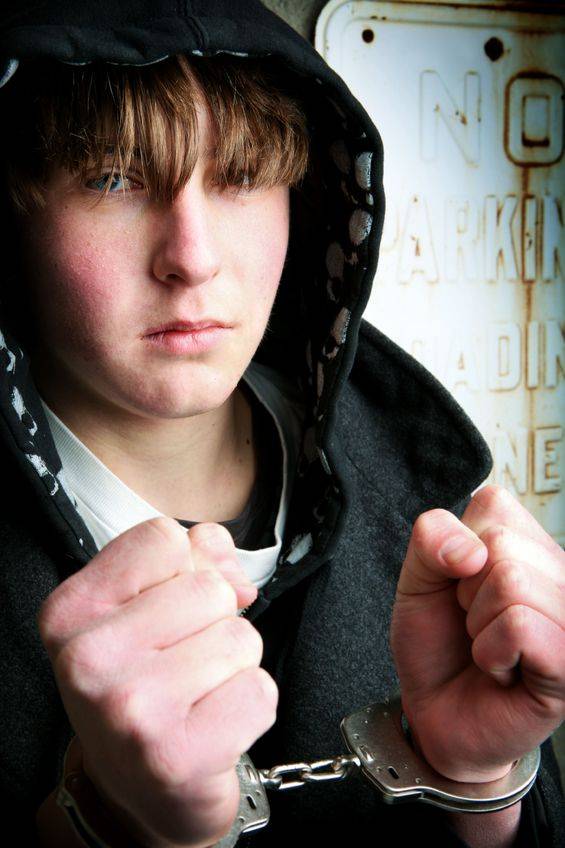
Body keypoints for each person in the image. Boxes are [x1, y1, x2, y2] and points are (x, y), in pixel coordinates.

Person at [0, 1, 563, 846]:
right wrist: (102, 821)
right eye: (112, 179)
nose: (192, 257)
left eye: (239, 176)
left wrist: (477, 781)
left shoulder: (421, 483)